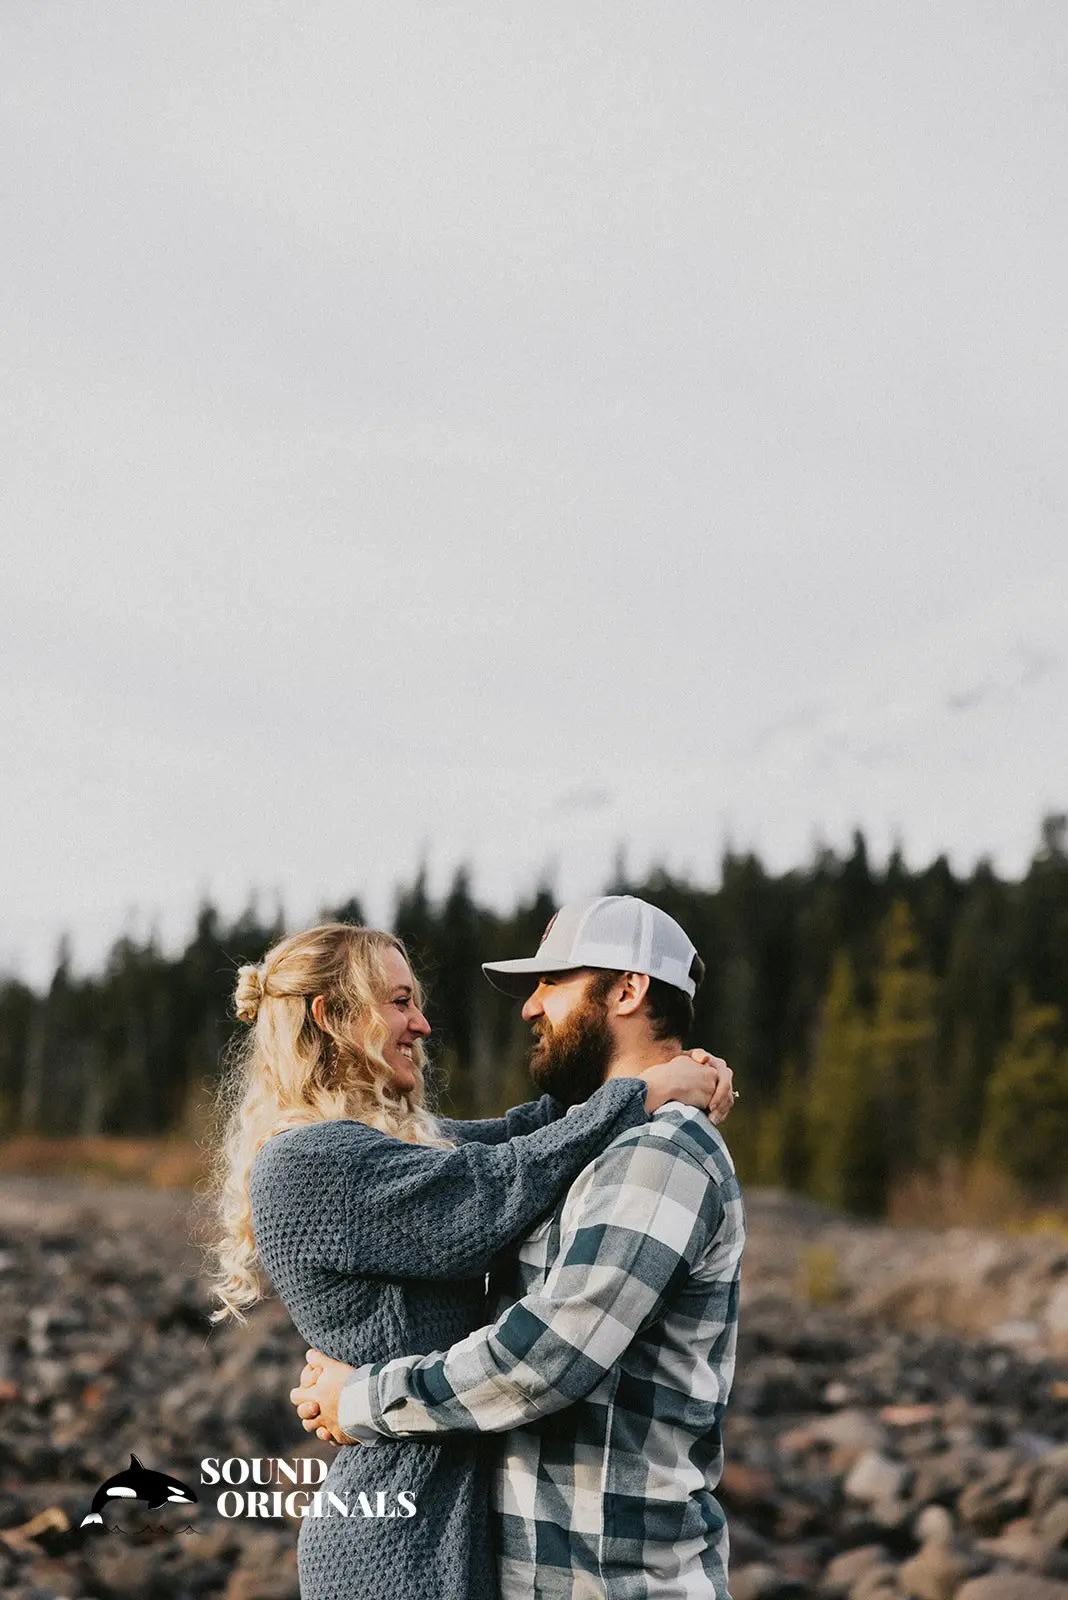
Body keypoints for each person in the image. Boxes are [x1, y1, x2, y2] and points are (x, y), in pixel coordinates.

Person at [206, 919, 734, 1600]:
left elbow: (517, 1139)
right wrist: (644, 1090)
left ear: (629, 991)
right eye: (400, 1001)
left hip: (449, 1532)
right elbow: (496, 1183)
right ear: (332, 1016)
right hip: (396, 1549)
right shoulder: (311, 1161)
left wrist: (669, 1078)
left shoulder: (398, 1151)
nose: (423, 1024)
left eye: (551, 981)